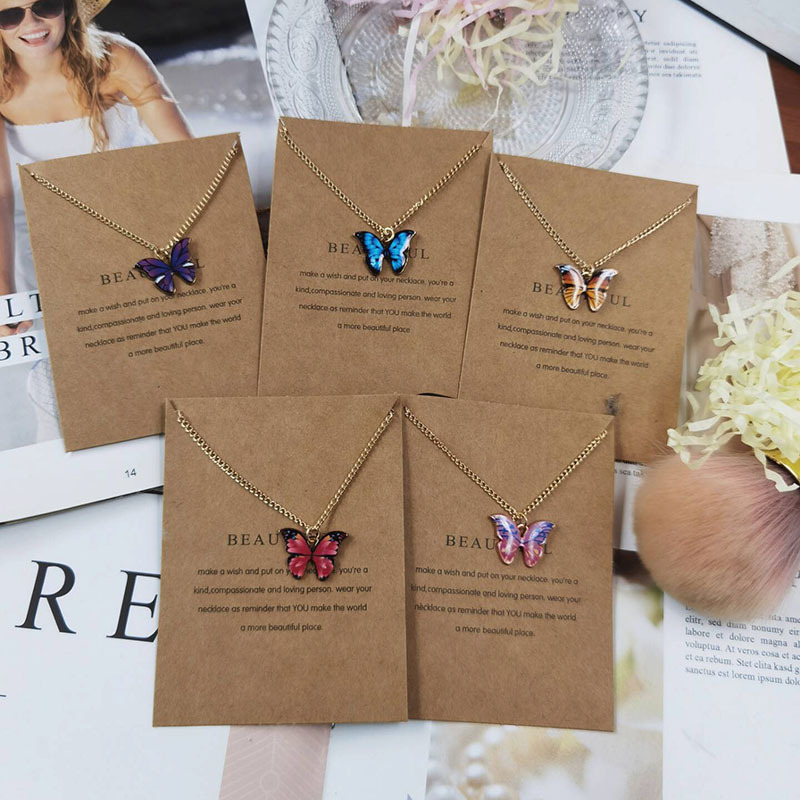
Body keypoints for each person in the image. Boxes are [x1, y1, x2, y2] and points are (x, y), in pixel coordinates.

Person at [0, 0, 191, 442]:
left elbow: (186, 157)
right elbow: (1, 194)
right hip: (49, 241)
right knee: (66, 387)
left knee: (166, 362)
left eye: (44, 5)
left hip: (138, 223)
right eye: (9, 15)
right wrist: (5, 290)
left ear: (67, 7)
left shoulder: (115, 59)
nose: (31, 23)